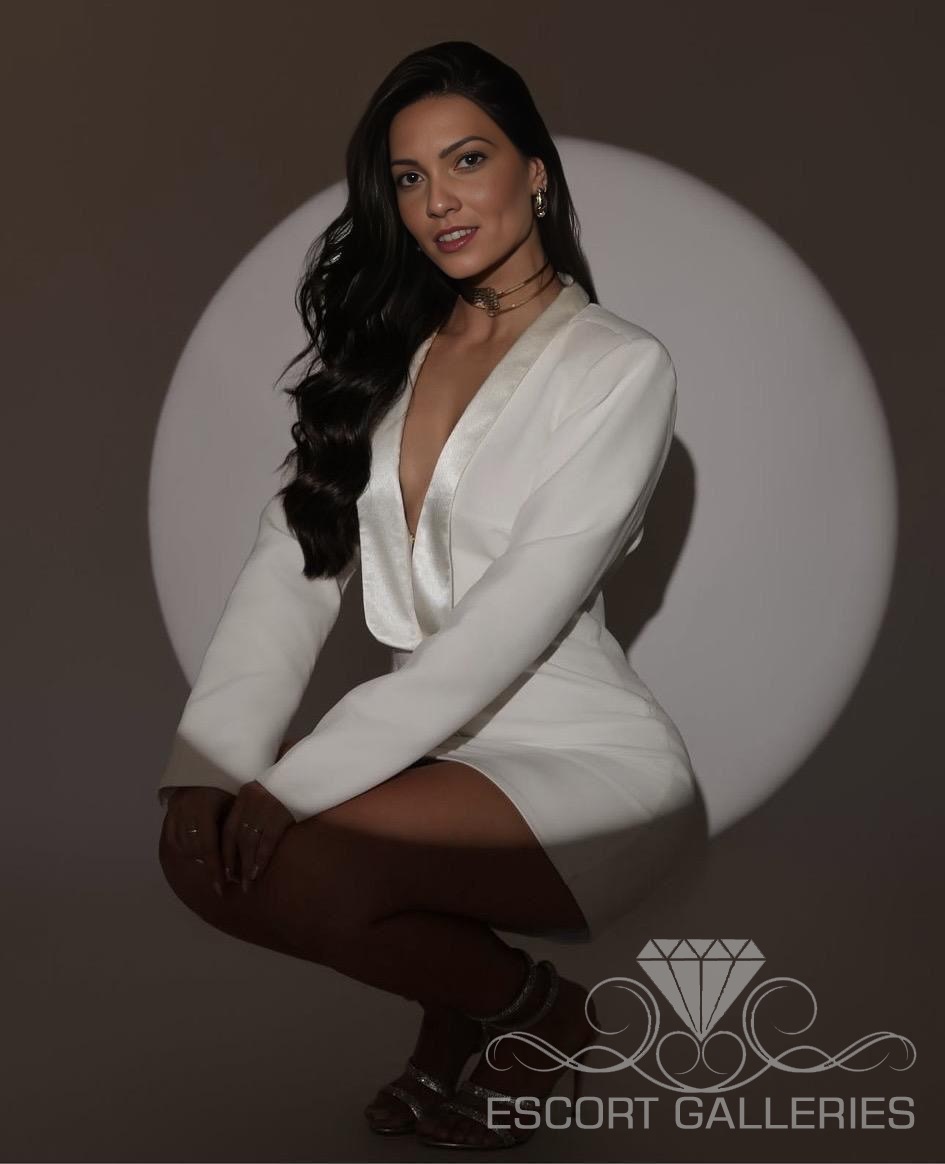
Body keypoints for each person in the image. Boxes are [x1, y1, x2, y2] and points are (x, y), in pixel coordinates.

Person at [156, 40, 705, 1150]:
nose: (439, 199)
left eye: (467, 159)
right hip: (430, 754)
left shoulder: (617, 367)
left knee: (296, 859)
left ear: (535, 173)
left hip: (580, 761)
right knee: (195, 848)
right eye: (409, 177)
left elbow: (512, 621)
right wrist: (213, 764)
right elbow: (289, 571)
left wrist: (293, 785)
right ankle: (462, 1018)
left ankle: (537, 1014)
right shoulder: (387, 359)